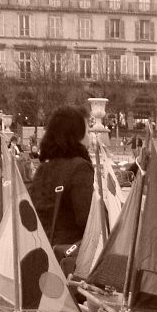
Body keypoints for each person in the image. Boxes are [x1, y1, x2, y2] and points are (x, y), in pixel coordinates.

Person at [29, 105, 94, 265]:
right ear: (76, 135)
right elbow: (88, 220)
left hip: (42, 252)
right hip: (68, 258)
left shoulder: (43, 169)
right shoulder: (80, 168)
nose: (90, 136)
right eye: (87, 130)